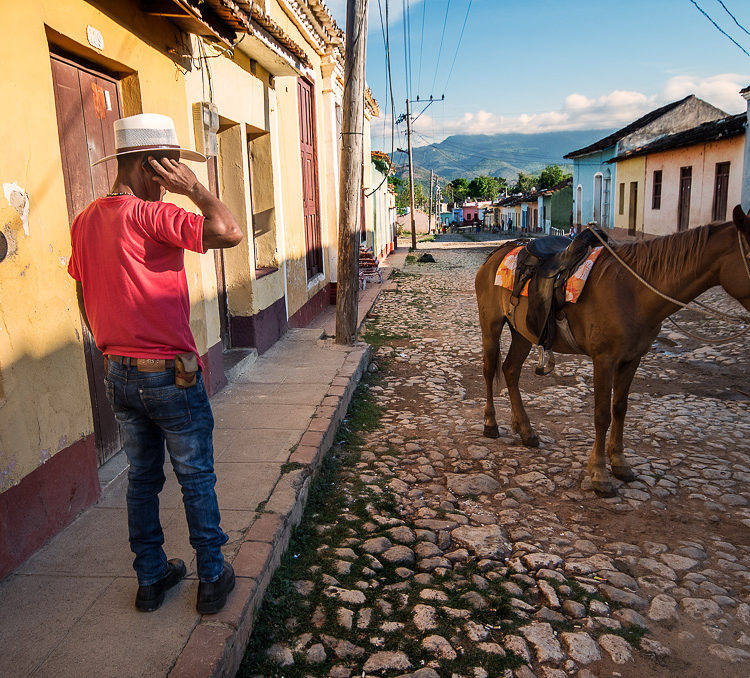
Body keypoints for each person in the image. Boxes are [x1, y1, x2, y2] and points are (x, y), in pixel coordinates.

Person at [68, 114, 243, 614]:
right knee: (195, 476)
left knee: (142, 478)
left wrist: (111, 341)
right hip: (172, 370)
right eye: (170, 172)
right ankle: (211, 576)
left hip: (118, 371)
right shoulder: (149, 215)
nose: (172, 184)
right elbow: (227, 230)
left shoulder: (84, 220)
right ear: (153, 166)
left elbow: (82, 292)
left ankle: (151, 578)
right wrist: (197, 190)